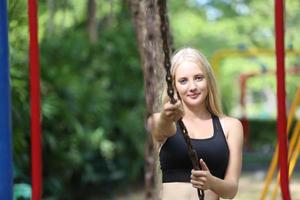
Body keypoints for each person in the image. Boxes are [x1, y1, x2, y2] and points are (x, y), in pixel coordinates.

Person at [148, 47, 244, 200]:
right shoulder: (161, 120)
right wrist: (167, 117)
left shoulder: (231, 126)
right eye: (183, 81)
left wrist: (212, 182)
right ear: (174, 86)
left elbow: (231, 190)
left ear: (209, 80)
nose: (192, 87)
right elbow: (161, 129)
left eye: (199, 78)